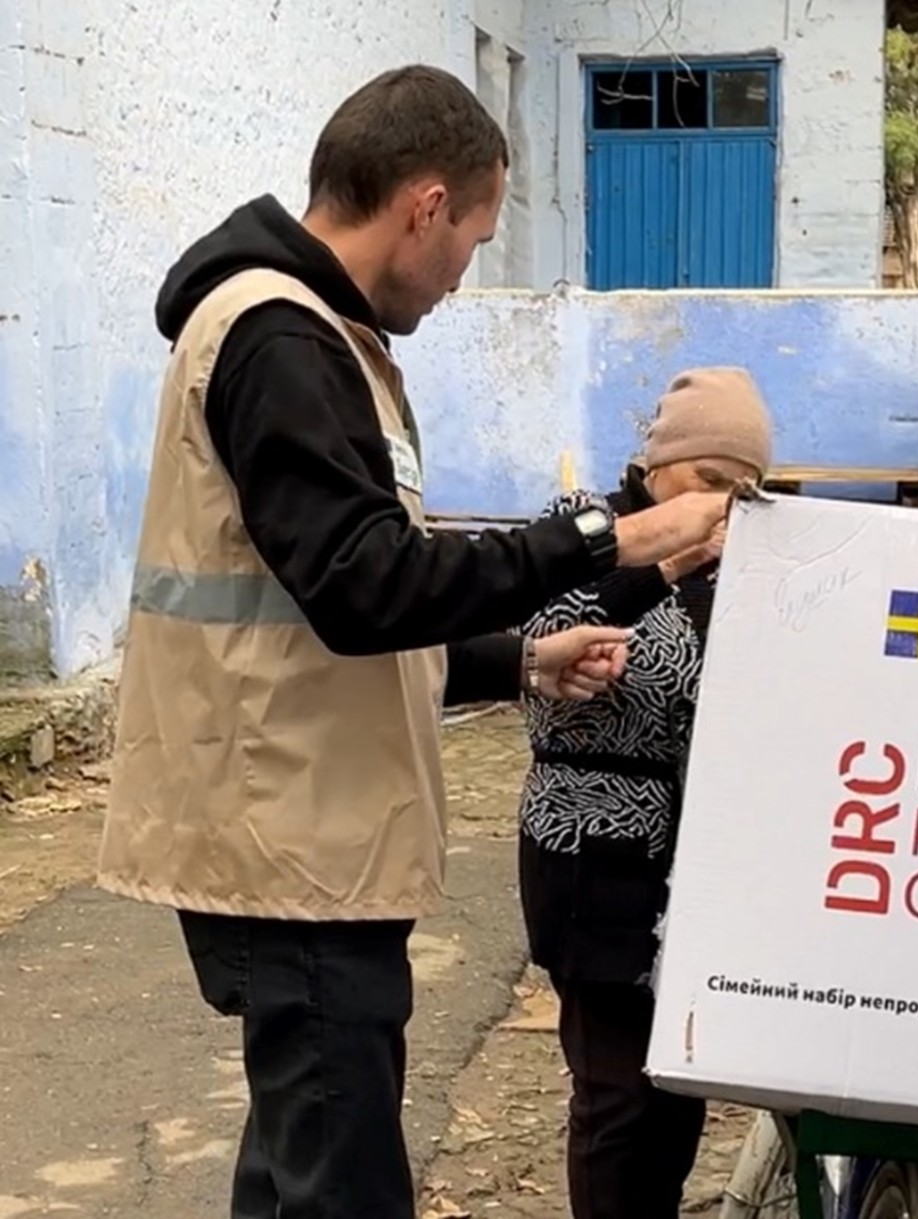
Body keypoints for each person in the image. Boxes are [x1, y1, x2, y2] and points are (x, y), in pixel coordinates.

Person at [96, 65, 731, 1219]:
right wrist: (606, 536)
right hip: (286, 842)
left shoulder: (314, 337)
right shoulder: (278, 341)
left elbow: (323, 605)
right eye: (476, 239)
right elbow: (363, 587)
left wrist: (513, 660)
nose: (461, 275)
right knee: (341, 1189)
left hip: (305, 830)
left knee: (300, 1174)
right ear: (426, 205)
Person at [515, 368, 774, 1219]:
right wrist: (663, 561)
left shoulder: (746, 558)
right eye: (706, 482)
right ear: (658, 464)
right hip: (590, 848)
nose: (721, 505)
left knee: (676, 1093)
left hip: (695, 860)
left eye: (743, 490)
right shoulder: (580, 531)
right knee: (617, 1093)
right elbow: (535, 643)